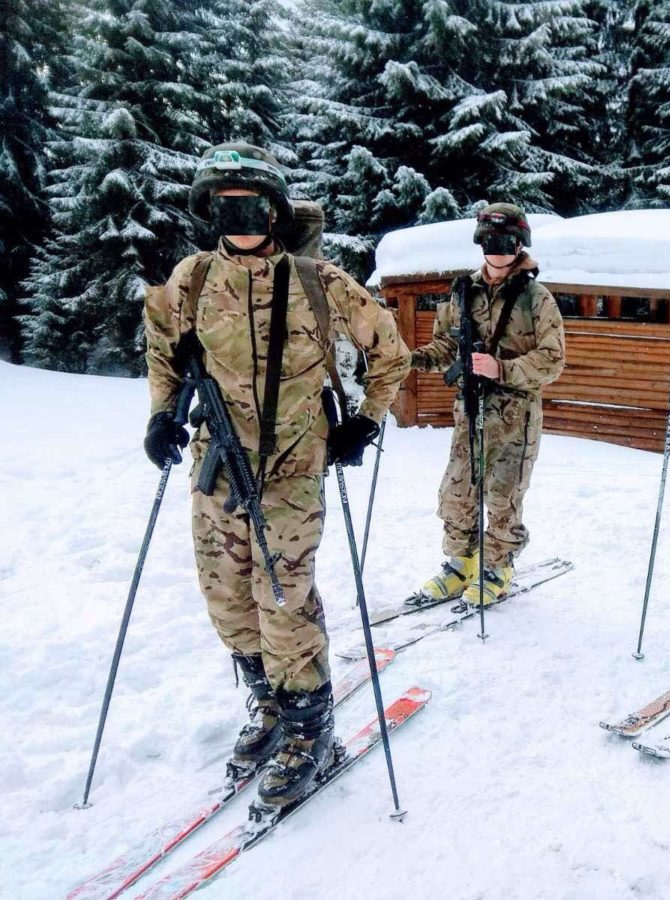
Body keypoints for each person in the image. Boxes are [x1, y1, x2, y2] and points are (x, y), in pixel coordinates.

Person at [143, 142, 409, 806]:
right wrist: (160, 416)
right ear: (211, 213)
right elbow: (164, 350)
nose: (242, 222)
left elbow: (391, 351)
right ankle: (266, 702)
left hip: (293, 466)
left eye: (254, 208)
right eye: (227, 208)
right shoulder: (193, 280)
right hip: (218, 464)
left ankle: (307, 724)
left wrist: (367, 420)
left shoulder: (321, 282)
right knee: (226, 598)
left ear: (276, 213)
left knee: (283, 599)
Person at [409, 204, 565, 606]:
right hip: (469, 409)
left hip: (515, 415)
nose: (498, 252)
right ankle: (461, 564)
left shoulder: (536, 298)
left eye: (507, 244)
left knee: (503, 495)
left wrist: (503, 369)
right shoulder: (463, 291)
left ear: (519, 245)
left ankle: (497, 566)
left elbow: (553, 358)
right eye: (491, 243)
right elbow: (446, 343)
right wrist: (414, 359)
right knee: (457, 492)